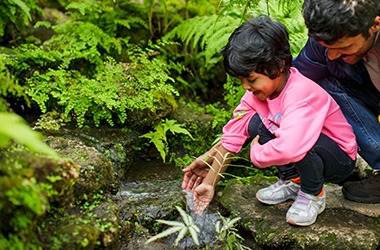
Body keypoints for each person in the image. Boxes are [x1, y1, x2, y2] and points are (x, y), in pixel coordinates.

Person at [183, 15, 357, 226]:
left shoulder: (300, 94)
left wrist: (256, 154)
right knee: (255, 123)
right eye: (241, 80)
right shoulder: (257, 95)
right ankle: (294, 181)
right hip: (300, 148)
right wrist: (210, 182)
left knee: (299, 142)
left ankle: (313, 194)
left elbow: (290, 148)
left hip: (337, 158)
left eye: (251, 79)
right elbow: (234, 132)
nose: (245, 87)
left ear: (278, 65)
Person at [293, 0, 380, 203]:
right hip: (370, 95)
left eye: (344, 47)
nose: (331, 56)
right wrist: (224, 149)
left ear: (375, 25)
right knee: (318, 86)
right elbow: (292, 85)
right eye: (327, 47)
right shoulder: (331, 33)